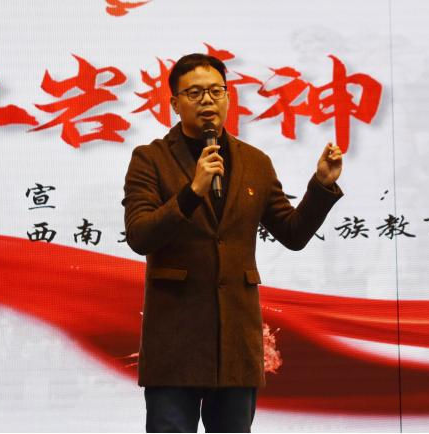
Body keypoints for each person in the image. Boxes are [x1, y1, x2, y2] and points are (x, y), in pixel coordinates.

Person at [122, 53, 344, 433]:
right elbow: (140, 236)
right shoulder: (150, 160)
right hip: (175, 342)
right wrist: (192, 192)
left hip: (235, 343)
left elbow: (293, 234)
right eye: (194, 93)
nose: (207, 101)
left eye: (216, 91)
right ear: (174, 103)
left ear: (227, 97)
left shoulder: (255, 162)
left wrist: (321, 186)